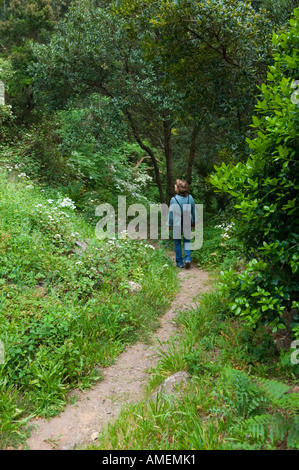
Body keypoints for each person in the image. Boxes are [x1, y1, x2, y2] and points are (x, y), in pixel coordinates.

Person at [167, 179, 196, 269]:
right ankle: (187, 259)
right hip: (188, 222)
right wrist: (194, 222)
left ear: (179, 188)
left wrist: (168, 225)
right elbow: (193, 211)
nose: (174, 186)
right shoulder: (190, 198)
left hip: (177, 224)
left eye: (175, 185)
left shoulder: (174, 199)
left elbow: (171, 214)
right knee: (187, 241)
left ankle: (180, 262)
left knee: (177, 243)